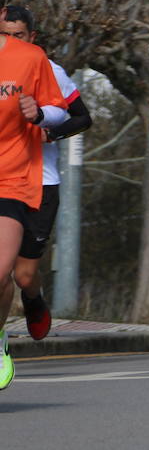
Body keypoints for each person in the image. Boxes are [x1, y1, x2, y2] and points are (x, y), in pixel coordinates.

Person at [0, 6, 91, 344]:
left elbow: (82, 117)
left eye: (17, 35)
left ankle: (33, 300)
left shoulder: (46, 67)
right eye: (5, 33)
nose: (9, 41)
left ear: (31, 37)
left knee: (24, 276)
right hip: (9, 179)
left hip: (42, 181)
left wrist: (47, 128)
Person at [0, 30, 69, 391]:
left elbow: (65, 111)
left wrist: (40, 113)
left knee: (10, 272)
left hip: (13, 179)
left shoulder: (30, 58)